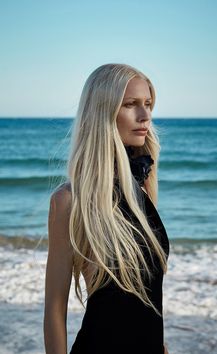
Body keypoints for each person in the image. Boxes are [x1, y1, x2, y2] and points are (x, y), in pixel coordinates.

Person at [44, 63, 170, 354]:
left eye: (148, 104)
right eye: (131, 104)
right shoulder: (69, 201)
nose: (145, 116)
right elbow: (54, 309)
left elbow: (147, 292)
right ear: (103, 110)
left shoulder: (141, 188)